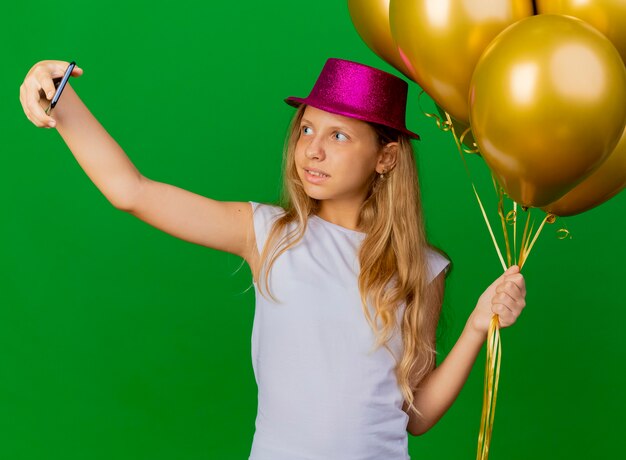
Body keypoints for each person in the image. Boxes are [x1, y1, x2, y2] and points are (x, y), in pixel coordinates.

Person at [19, 57, 526, 460]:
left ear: (386, 157)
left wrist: (479, 325)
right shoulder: (268, 233)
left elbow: (413, 415)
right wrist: (60, 100)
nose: (313, 150)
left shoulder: (422, 267)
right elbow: (131, 191)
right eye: (307, 129)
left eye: (339, 136)